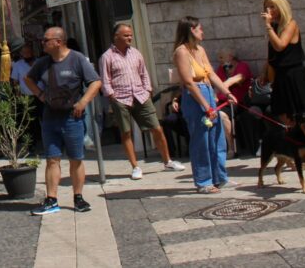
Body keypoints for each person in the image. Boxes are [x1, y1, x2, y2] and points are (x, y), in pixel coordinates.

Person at [24, 27, 102, 215]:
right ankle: (51, 200)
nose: (42, 43)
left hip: (72, 117)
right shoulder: (42, 63)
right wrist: (40, 95)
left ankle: (78, 197)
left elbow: (96, 82)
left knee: (76, 159)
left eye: (45, 40)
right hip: (50, 117)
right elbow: (28, 79)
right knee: (52, 159)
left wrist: (83, 102)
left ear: (58, 42)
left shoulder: (77, 59)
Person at [98, 23, 185, 179]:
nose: (130, 37)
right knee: (126, 132)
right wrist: (113, 97)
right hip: (121, 98)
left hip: (140, 96)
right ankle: (135, 167)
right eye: (126, 35)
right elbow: (105, 80)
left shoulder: (136, 53)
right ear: (116, 37)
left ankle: (167, 161)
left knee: (157, 128)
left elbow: (144, 73)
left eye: (130, 34)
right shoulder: (107, 57)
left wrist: (148, 89)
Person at [173, 16, 236, 194]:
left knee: (217, 137)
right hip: (195, 96)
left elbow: (212, 74)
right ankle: (204, 181)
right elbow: (188, 82)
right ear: (191, 30)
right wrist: (205, 106)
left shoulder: (200, 50)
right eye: (200, 29)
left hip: (207, 91)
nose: (203, 32)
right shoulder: (181, 52)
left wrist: (226, 92)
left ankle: (220, 178)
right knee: (201, 140)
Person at [262, 0, 305, 125]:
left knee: (302, 113)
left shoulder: (291, 24)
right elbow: (273, 54)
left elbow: (280, 45)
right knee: (282, 113)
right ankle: (293, 140)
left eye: (273, 6)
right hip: (280, 76)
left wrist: (268, 26)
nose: (269, 11)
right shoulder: (274, 27)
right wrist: (264, 73)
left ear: (281, 6)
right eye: (267, 7)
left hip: (293, 75)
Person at [215, 48, 253, 156]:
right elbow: (216, 83)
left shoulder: (242, 66)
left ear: (231, 57)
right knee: (217, 114)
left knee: (222, 114)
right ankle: (226, 146)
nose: (219, 60)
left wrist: (222, 88)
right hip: (224, 101)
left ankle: (231, 147)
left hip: (239, 101)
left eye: (222, 57)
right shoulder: (221, 69)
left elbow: (235, 79)